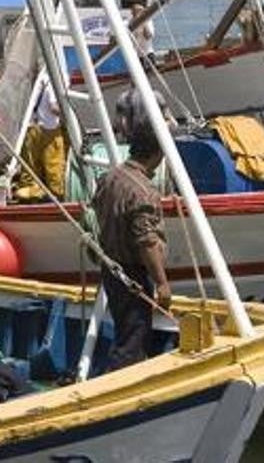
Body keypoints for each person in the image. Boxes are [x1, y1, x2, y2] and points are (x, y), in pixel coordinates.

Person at [92, 92, 171, 370]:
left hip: (110, 270)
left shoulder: (110, 178)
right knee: (132, 342)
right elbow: (146, 240)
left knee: (125, 331)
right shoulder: (143, 192)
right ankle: (119, 391)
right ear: (158, 153)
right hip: (132, 275)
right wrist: (161, 283)